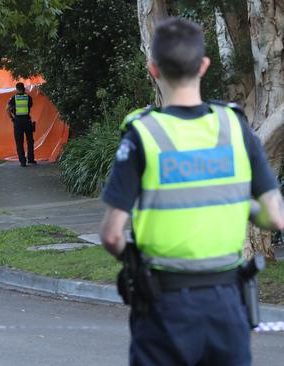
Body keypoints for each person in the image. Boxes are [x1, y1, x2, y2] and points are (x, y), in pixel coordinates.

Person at [99, 17, 284, 365]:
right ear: (203, 66)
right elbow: (274, 216)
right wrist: (241, 206)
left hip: (162, 304)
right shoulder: (235, 127)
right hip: (227, 304)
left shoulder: (142, 135)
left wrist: (134, 261)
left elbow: (111, 235)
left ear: (153, 69)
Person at [6, 82, 36, 167]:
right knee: (30, 140)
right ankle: (31, 159)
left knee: (19, 142)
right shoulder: (29, 98)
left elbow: (7, 109)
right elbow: (29, 106)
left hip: (18, 121)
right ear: (24, 88)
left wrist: (12, 118)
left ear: (17, 89)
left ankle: (23, 161)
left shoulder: (13, 98)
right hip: (27, 120)